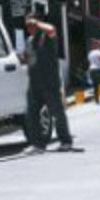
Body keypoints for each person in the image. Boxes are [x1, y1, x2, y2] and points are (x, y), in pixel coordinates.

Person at [24, 14, 74, 152]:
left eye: (31, 25)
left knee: (57, 113)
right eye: (27, 26)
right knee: (31, 115)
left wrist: (38, 23)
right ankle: (38, 145)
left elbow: (52, 29)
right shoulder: (29, 40)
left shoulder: (47, 36)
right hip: (34, 83)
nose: (29, 28)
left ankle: (66, 141)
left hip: (49, 82)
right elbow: (28, 58)